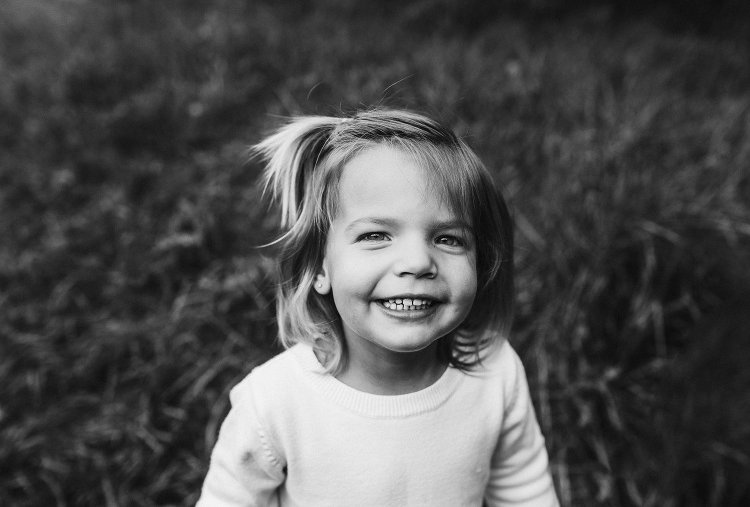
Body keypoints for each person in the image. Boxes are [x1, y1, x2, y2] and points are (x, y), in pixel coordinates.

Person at [196, 108, 559, 506]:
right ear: (320, 266)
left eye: (448, 239)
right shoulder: (275, 403)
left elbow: (525, 492)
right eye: (376, 235)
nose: (418, 262)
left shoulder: (496, 372)